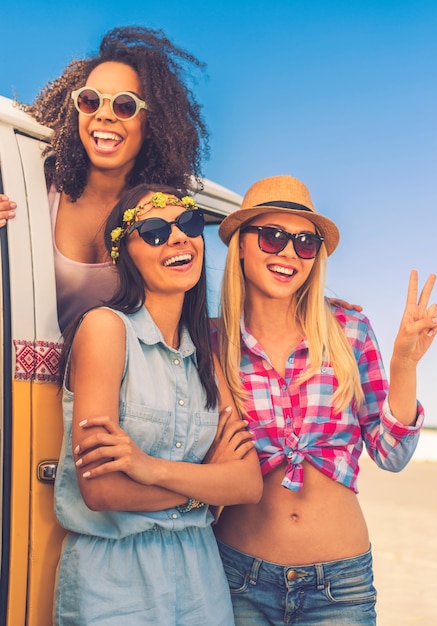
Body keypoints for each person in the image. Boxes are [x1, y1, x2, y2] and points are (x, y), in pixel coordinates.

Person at [212, 175, 437, 625]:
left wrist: (403, 366)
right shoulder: (214, 342)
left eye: (304, 242)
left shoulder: (349, 329)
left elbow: (392, 455)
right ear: (241, 244)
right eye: (272, 236)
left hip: (339, 586)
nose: (287, 253)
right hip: (237, 575)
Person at [54, 183, 262, 625]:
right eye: (152, 230)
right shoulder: (105, 330)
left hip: (201, 579)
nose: (177, 237)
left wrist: (151, 469)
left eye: (187, 223)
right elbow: (101, 490)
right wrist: (204, 489)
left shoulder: (205, 354)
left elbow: (246, 484)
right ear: (124, 254)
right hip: (114, 580)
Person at [0, 25, 209, 330]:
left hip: (120, 376)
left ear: (151, 125)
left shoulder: (164, 216)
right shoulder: (31, 190)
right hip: (26, 377)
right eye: (90, 100)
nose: (104, 115)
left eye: (125, 105)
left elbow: (181, 319)